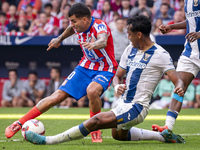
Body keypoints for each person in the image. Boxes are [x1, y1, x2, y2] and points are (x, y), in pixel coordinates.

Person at [24, 15, 185, 145]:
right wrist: (116, 86)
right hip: (122, 102)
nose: (127, 38)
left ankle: (48, 141)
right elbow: (117, 75)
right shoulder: (130, 49)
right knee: (118, 135)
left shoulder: (160, 54)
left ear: (139, 35)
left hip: (137, 107)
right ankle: (163, 137)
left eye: (129, 34)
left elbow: (177, 79)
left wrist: (178, 86)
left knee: (96, 121)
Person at [5, 3, 118, 143]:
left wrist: (94, 44)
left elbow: (102, 39)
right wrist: (59, 39)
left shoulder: (99, 26)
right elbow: (71, 29)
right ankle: (19, 123)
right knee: (56, 96)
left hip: (105, 68)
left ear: (84, 19)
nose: (72, 24)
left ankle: (95, 129)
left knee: (92, 91)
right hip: (85, 66)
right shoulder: (78, 26)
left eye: (74, 21)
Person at [152, 0, 200, 133]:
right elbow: (192, 21)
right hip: (191, 51)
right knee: (179, 86)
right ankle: (168, 127)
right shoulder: (187, 1)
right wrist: (173, 27)